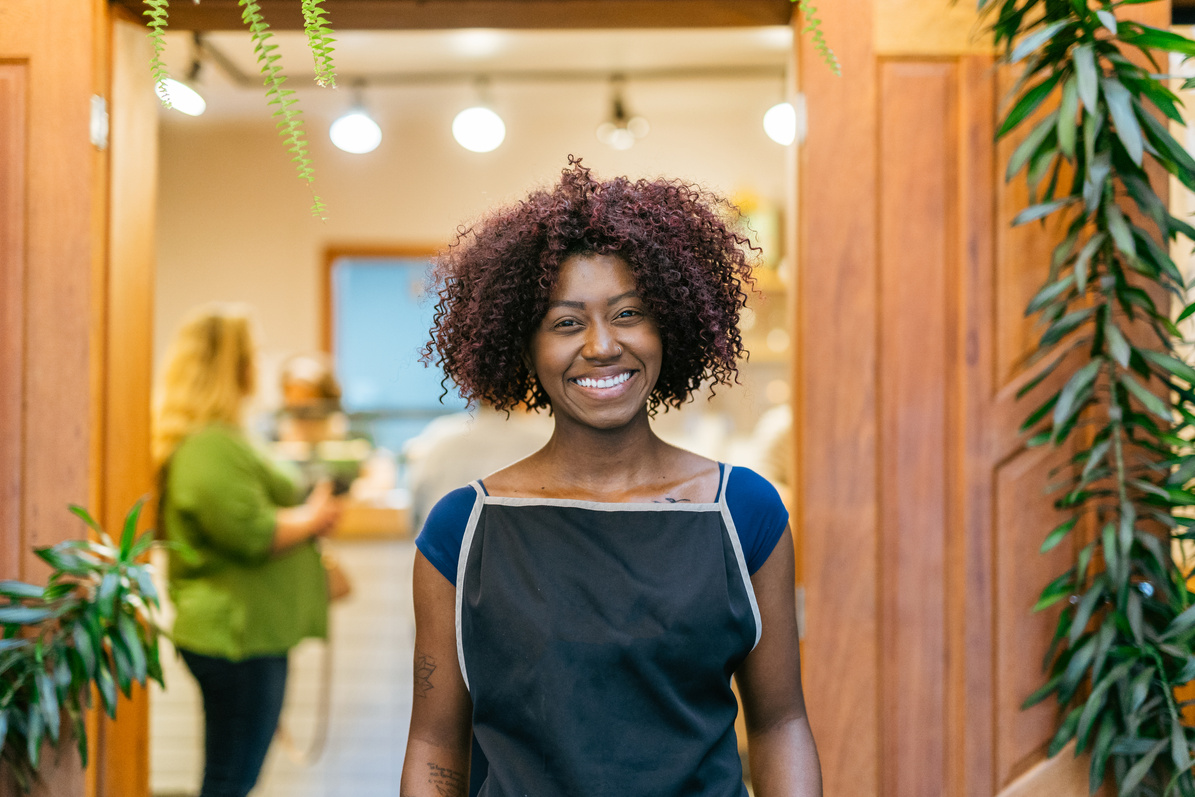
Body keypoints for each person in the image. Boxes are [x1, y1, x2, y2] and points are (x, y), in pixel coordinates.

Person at [402, 159, 822, 797]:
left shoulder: (743, 514)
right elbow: (436, 742)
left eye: (628, 314)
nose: (601, 345)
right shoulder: (463, 531)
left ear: (671, 325)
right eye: (567, 323)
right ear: (525, 346)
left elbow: (780, 721)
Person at [152, 304, 343, 797]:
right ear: (232, 366)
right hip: (235, 638)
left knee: (235, 774)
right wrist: (314, 516)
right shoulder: (209, 446)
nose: (259, 364)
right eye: (251, 354)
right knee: (230, 779)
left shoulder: (224, 439)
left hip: (250, 635)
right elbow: (250, 532)